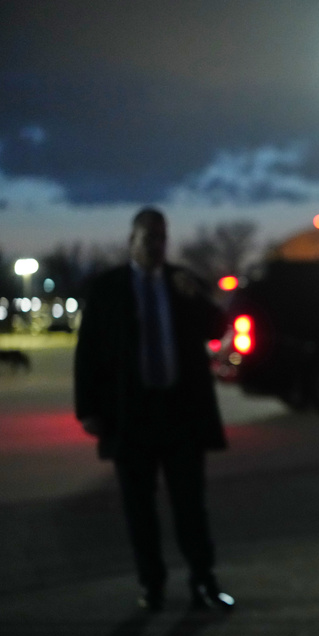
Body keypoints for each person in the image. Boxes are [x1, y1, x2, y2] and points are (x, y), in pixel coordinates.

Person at [74, 207, 234, 613]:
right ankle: (152, 585)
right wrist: (88, 409)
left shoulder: (182, 282)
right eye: (149, 238)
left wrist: (195, 296)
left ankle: (204, 582)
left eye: (162, 238)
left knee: (190, 505)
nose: (157, 246)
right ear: (132, 241)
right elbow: (88, 352)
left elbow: (218, 328)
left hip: (180, 411)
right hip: (131, 414)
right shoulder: (108, 288)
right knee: (139, 509)